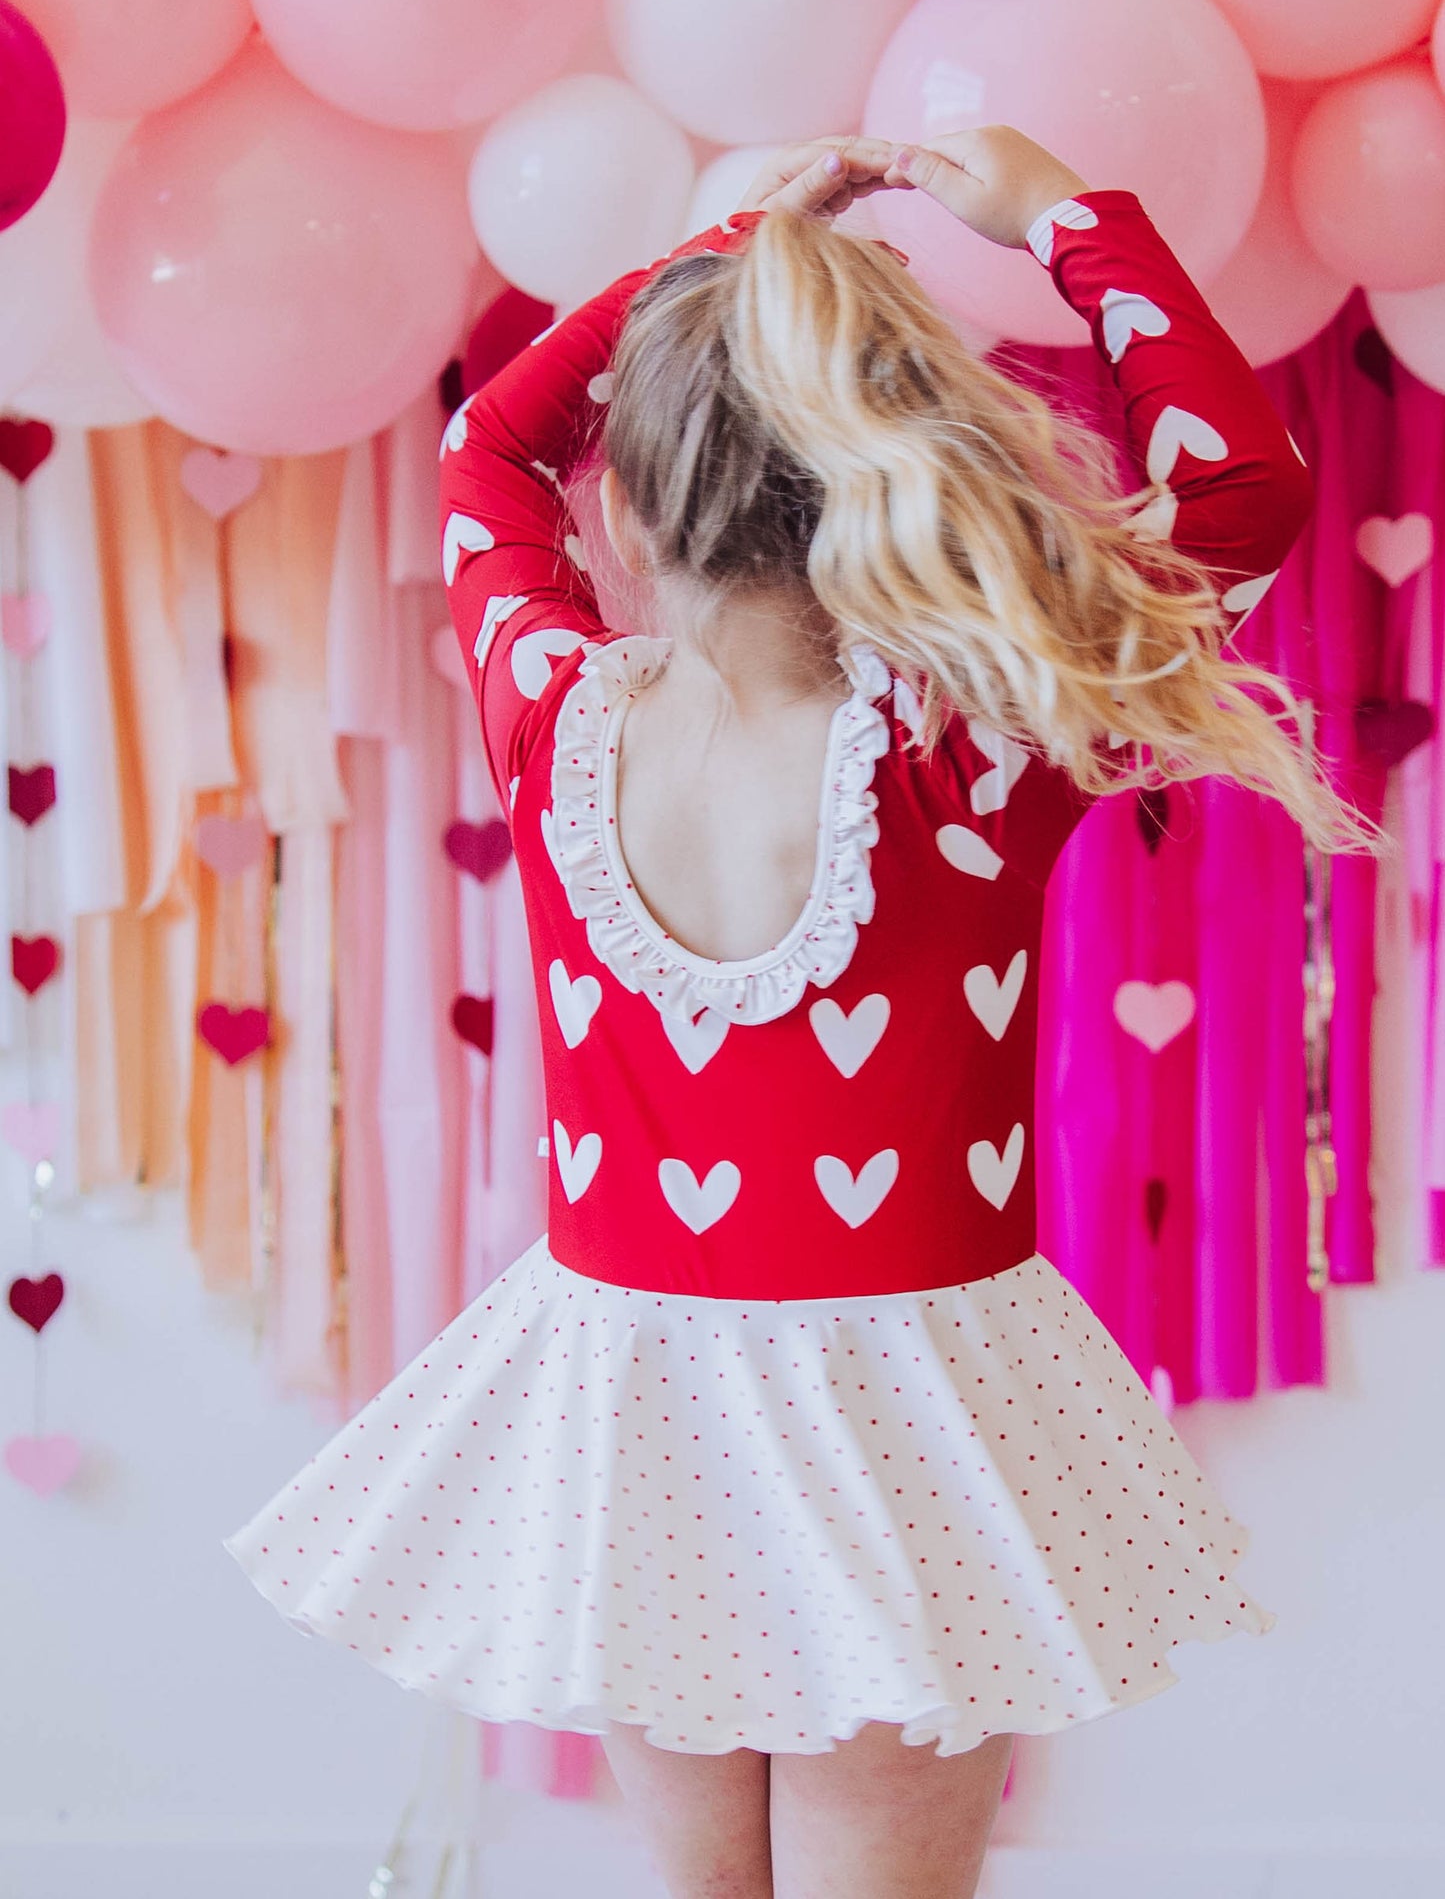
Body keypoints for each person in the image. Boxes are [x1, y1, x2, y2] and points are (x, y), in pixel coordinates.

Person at [225, 128, 1359, 1898]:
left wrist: (734, 253)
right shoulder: (975, 742)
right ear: (894, 472)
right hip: (902, 1432)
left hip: (636, 1419)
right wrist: (1064, 221)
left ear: (631, 499)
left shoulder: (549, 711)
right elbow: (1244, 496)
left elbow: (484, 448)